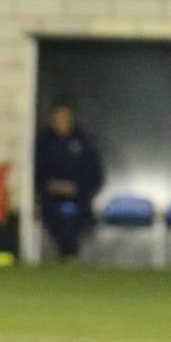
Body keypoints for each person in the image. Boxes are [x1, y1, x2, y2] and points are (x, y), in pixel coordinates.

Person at [33, 101, 105, 259]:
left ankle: (74, 253)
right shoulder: (43, 142)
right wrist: (49, 186)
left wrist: (78, 188)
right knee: (50, 214)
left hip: (79, 196)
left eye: (65, 117)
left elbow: (95, 174)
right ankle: (63, 252)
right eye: (58, 118)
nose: (61, 121)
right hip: (50, 197)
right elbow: (36, 172)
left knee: (81, 218)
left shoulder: (84, 141)